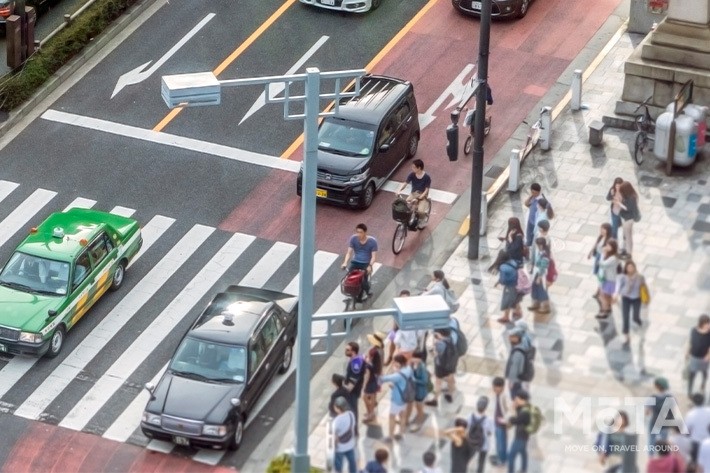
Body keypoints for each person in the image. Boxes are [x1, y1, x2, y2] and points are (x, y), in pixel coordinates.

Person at [379, 354, 413, 443]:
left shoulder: (397, 375)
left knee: (392, 417)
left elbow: (382, 379)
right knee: (402, 416)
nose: (393, 363)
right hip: (406, 396)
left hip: (397, 400)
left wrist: (385, 371)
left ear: (399, 363)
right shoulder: (408, 369)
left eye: (395, 362)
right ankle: (401, 434)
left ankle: (390, 436)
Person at [341, 223, 377, 301]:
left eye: (360, 232)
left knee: (364, 281)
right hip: (355, 261)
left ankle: (368, 291)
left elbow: (373, 257)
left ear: (365, 232)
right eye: (357, 232)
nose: (358, 234)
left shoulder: (372, 241)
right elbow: (349, 252)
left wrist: (370, 266)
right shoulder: (353, 238)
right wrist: (345, 262)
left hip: (365, 263)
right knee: (349, 277)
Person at [614, 260, 647, 345]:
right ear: (626, 268)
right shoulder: (623, 277)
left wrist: (645, 298)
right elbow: (618, 286)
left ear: (634, 268)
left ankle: (638, 320)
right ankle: (626, 336)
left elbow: (643, 287)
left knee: (635, 316)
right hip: (626, 298)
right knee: (625, 317)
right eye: (628, 267)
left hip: (637, 298)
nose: (630, 269)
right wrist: (616, 295)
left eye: (632, 267)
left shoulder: (640, 277)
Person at [425, 328, 457, 407]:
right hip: (451, 364)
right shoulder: (450, 339)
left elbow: (434, 355)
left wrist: (433, 345)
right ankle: (450, 395)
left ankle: (435, 400)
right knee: (450, 379)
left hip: (441, 366)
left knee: (438, 383)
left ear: (440, 334)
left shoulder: (440, 344)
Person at [489, 249, 522, 324]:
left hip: (510, 286)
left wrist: (499, 282)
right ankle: (518, 312)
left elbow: (503, 279)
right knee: (514, 298)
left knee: (507, 301)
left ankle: (506, 317)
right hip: (517, 283)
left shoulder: (503, 267)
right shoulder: (512, 261)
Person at [646, 377, 679, 452]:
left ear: (657, 386)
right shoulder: (671, 397)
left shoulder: (652, 397)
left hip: (654, 422)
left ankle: (651, 458)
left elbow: (647, 412)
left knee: (652, 440)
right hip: (665, 423)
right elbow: (674, 410)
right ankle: (662, 457)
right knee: (664, 441)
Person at [503, 389, 532, 473]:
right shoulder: (526, 407)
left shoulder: (525, 413)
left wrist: (512, 411)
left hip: (521, 437)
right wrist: (515, 407)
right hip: (524, 436)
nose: (515, 400)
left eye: (517, 399)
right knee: (523, 452)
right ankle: (524, 469)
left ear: (522, 400)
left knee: (511, 456)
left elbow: (515, 420)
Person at [396, 159, 431, 225]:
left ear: (419, 168)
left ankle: (422, 220)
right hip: (414, 193)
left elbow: (426, 190)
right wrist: (399, 190)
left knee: (421, 212)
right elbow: (405, 183)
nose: (412, 168)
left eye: (414, 167)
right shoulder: (412, 175)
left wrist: (418, 199)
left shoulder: (427, 177)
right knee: (406, 205)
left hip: (422, 196)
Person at [468, 396, 495, 473]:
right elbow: (490, 432)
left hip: (471, 442)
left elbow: (466, 427)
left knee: (468, 458)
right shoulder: (489, 420)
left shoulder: (470, 416)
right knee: (481, 462)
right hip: (483, 444)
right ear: (486, 408)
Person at [363, 332, 385, 423]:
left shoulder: (374, 352)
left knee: (366, 397)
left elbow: (370, 367)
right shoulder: (381, 350)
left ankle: (370, 413)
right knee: (374, 395)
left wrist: (366, 361)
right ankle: (371, 411)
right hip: (379, 375)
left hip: (372, 377)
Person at [595, 238, 620, 319]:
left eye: (609, 245)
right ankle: (608, 308)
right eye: (607, 245)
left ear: (613, 247)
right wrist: (603, 237)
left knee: (602, 295)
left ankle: (605, 311)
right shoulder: (608, 253)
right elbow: (598, 249)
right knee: (606, 296)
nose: (607, 247)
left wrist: (603, 255)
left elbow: (603, 265)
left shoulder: (613, 258)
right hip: (607, 279)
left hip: (610, 280)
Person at [332, 396, 357, 473]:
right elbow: (353, 427)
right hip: (350, 445)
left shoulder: (336, 421)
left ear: (338, 408)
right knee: (352, 463)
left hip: (340, 447)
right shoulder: (351, 414)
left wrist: (333, 447)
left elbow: (335, 437)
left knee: (338, 466)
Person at [344, 341, 366, 428]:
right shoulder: (357, 359)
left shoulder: (355, 363)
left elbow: (353, 379)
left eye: (347, 350)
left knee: (352, 407)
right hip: (355, 388)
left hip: (353, 390)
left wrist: (346, 390)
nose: (345, 351)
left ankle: (353, 427)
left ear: (353, 351)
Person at [588, 223, 613, 300]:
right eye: (601, 229)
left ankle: (599, 291)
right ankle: (601, 290)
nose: (601, 231)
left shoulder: (609, 240)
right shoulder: (601, 237)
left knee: (601, 275)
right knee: (598, 274)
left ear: (607, 230)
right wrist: (591, 252)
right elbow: (596, 244)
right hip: (598, 257)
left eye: (603, 229)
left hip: (603, 259)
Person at [687, 314, 710, 398]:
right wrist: (687, 352)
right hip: (694, 357)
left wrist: (708, 355)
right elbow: (691, 342)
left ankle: (702, 386)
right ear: (702, 324)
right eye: (707, 323)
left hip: (704, 359)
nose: (708, 325)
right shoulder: (694, 330)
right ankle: (689, 392)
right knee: (691, 375)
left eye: (709, 323)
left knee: (704, 374)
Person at [407, 350, 429, 432]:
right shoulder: (414, 364)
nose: (413, 359)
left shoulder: (422, 367)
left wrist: (414, 380)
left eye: (414, 358)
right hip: (415, 390)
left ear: (419, 358)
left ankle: (419, 423)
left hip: (420, 391)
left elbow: (424, 381)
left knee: (419, 408)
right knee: (416, 406)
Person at [685, 393, 710, 463]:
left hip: (695, 443)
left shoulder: (690, 414)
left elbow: (686, 431)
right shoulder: (709, 411)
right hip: (708, 442)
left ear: (693, 401)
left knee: (695, 463)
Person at [617, 181, 641, 258]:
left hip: (628, 219)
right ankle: (624, 250)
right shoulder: (630, 196)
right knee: (625, 235)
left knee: (628, 236)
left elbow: (628, 208)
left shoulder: (631, 198)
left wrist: (619, 204)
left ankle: (629, 253)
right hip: (626, 218)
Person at [528, 237, 551, 314]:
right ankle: (536, 302)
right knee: (535, 288)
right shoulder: (540, 252)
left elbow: (543, 267)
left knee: (541, 290)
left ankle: (545, 306)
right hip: (536, 272)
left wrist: (539, 277)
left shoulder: (544, 255)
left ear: (541, 245)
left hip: (541, 274)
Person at [505, 328, 529, 400]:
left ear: (517, 338)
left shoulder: (517, 352)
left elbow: (514, 367)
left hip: (516, 381)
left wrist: (511, 382)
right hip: (520, 380)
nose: (509, 338)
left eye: (512, 336)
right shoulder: (521, 347)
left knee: (515, 399)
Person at [491, 376, 509, 467]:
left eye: (496, 387)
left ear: (502, 387)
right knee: (498, 441)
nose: (494, 389)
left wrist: (505, 420)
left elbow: (509, 411)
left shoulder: (504, 397)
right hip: (496, 422)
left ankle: (502, 460)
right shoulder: (495, 394)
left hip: (502, 423)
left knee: (502, 442)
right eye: (493, 386)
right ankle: (500, 457)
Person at [523, 183, 542, 247]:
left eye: (536, 193)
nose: (534, 194)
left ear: (539, 192)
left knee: (535, 237)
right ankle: (528, 245)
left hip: (536, 223)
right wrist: (530, 196)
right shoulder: (532, 198)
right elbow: (526, 204)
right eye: (532, 192)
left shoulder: (540, 201)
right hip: (530, 221)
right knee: (528, 236)